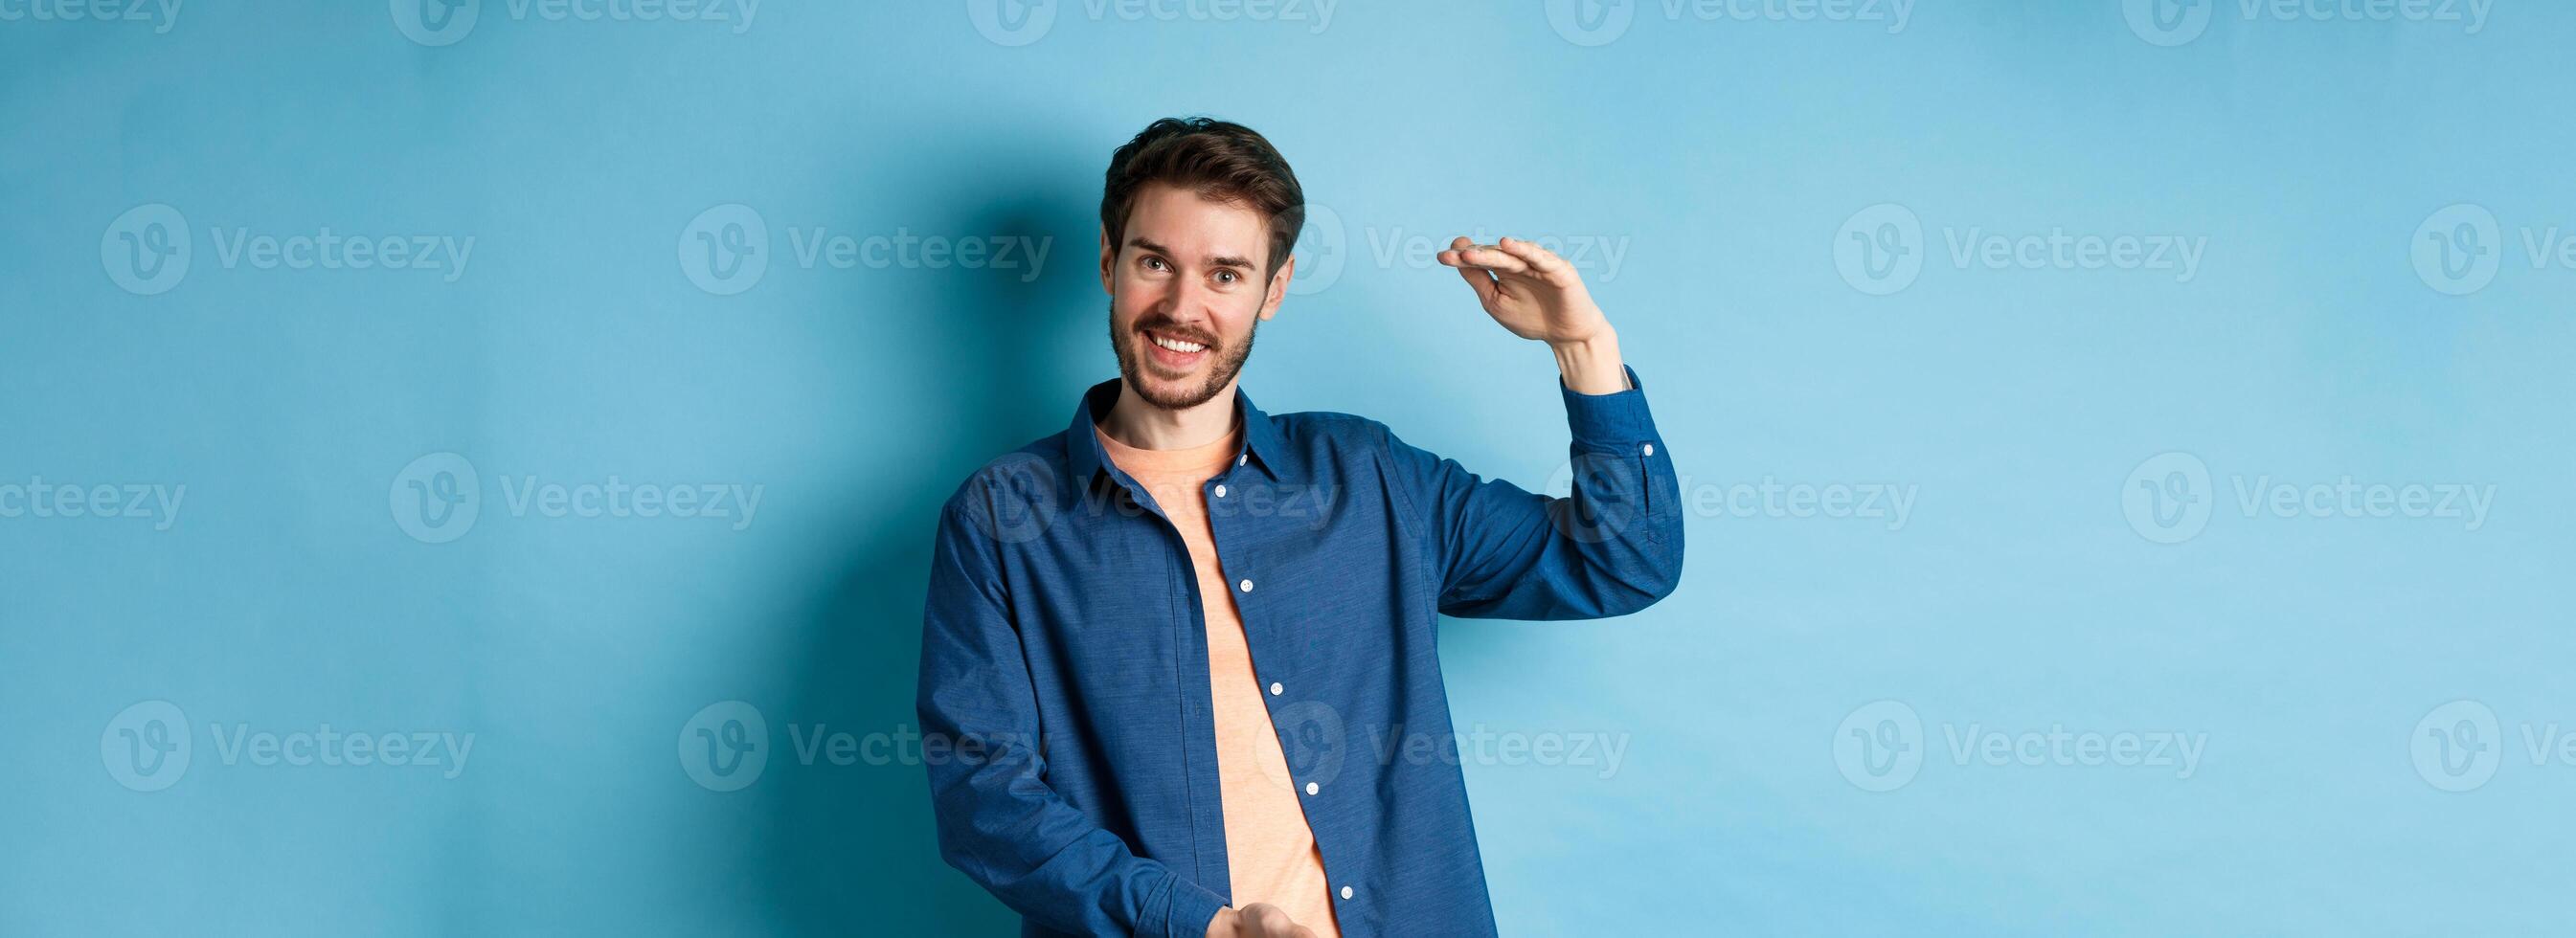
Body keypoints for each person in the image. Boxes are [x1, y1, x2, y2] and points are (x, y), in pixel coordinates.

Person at [917, 116, 1683, 937]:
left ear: (1272, 291)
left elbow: (1625, 560)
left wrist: (1582, 346)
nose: (1183, 307)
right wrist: (1196, 924)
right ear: (1109, 261)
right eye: (1154, 263)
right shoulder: (1002, 519)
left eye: (1225, 274)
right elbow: (983, 798)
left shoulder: (1373, 478)